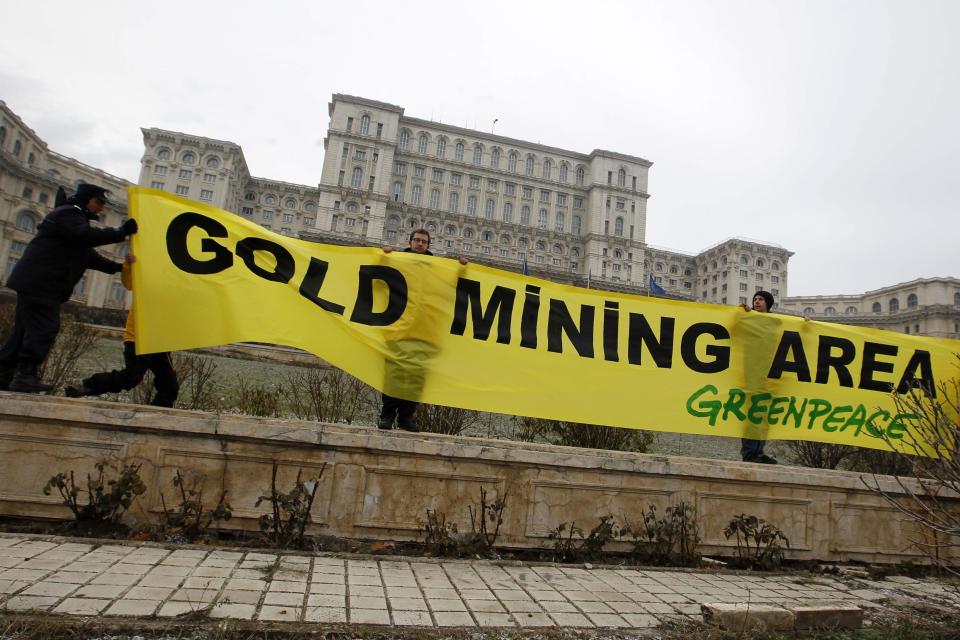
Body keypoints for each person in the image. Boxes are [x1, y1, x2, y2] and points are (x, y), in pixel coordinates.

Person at [0, 184, 137, 393]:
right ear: (85, 199)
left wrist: (121, 267)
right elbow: (85, 237)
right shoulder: (68, 214)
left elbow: (88, 256)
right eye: (99, 202)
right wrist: (120, 232)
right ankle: (24, 376)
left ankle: (4, 375)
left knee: (22, 331)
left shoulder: (72, 218)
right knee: (44, 329)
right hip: (43, 284)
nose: (101, 208)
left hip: (36, 283)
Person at [377, 229, 467, 431]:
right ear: (410, 242)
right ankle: (387, 415)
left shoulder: (437, 267)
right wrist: (383, 255)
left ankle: (406, 417)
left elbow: (453, 282)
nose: (420, 244)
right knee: (394, 375)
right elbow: (378, 273)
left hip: (425, 332)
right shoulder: (398, 260)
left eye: (424, 241)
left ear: (428, 245)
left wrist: (461, 267)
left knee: (417, 378)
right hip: (399, 329)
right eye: (416, 240)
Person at [64, 255, 179, 407]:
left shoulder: (175, 282)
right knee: (131, 377)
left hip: (159, 340)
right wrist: (129, 265)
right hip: (139, 337)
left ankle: (161, 410)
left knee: (169, 382)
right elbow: (129, 282)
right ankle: (88, 385)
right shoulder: (146, 275)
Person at [738, 290, 779, 464]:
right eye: (755, 299)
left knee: (764, 414)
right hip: (751, 373)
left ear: (768, 303)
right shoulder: (748, 318)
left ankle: (759, 451)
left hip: (769, 374)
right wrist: (741, 313)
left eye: (761, 299)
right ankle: (749, 453)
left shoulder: (777, 322)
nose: (757, 301)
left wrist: (804, 323)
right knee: (752, 412)